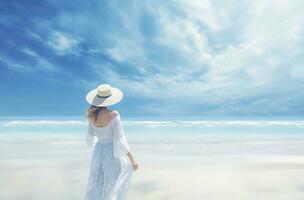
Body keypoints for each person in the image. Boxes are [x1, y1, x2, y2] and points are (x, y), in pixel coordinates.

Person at [84, 84, 138, 200]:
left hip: (98, 151)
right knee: (112, 182)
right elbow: (120, 139)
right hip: (111, 152)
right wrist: (132, 159)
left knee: (98, 182)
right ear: (109, 99)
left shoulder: (91, 116)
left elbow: (91, 136)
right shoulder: (114, 115)